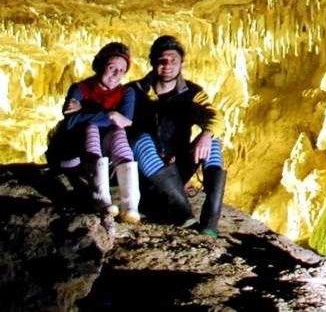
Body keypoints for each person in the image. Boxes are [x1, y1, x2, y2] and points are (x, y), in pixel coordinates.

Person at [129, 35, 226, 236]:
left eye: (173, 60)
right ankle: (183, 215)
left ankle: (210, 221)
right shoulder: (134, 91)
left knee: (213, 140)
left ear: (182, 63)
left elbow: (215, 117)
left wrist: (206, 135)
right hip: (144, 174)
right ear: (153, 63)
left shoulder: (192, 94)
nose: (168, 66)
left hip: (176, 170)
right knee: (141, 140)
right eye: (162, 61)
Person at [46, 41, 141, 223]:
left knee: (119, 134)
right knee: (91, 129)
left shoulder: (126, 92)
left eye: (122, 70)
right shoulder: (80, 88)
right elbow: (70, 121)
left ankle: (131, 206)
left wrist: (85, 111)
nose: (116, 74)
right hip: (74, 152)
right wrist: (110, 115)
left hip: (106, 148)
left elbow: (126, 122)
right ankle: (101, 199)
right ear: (100, 65)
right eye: (112, 68)